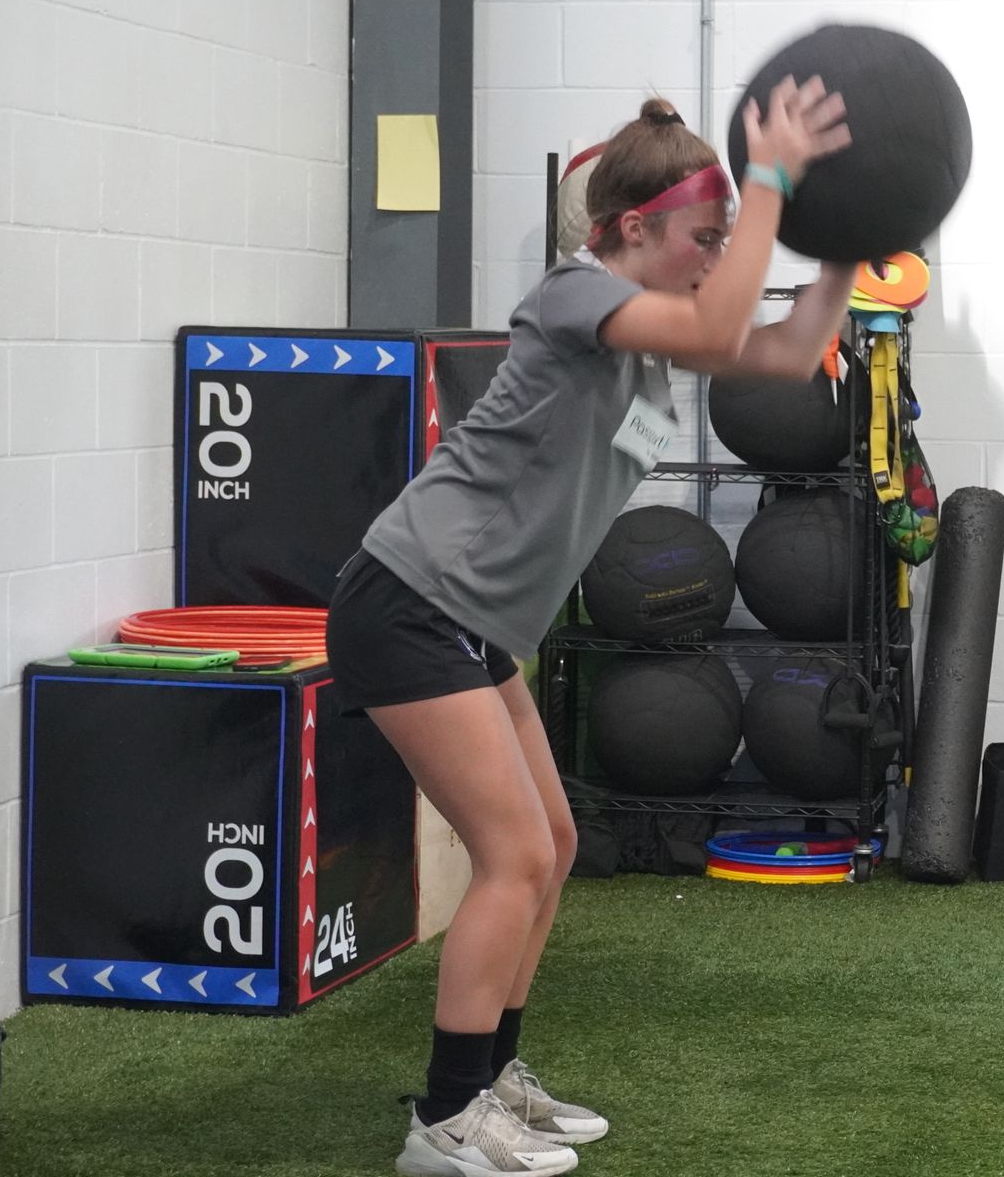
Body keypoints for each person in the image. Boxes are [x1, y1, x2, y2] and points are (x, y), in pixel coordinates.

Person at [326, 80, 855, 1177]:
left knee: (551, 844)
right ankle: (442, 1117)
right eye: (702, 237)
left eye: (722, 240)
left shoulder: (642, 331)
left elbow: (777, 346)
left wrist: (847, 250)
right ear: (628, 230)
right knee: (514, 855)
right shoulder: (574, 294)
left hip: (467, 619)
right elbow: (724, 322)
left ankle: (489, 1078)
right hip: (411, 597)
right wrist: (770, 179)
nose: (716, 257)